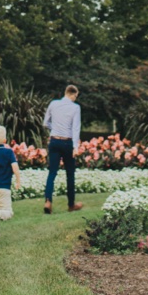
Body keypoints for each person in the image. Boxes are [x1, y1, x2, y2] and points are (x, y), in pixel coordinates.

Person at [43, 84, 83, 214]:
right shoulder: (75, 108)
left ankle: (48, 201)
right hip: (67, 142)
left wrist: (54, 128)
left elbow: (45, 123)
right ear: (73, 94)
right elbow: (76, 128)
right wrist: (76, 146)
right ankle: (71, 204)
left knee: (52, 172)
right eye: (76, 96)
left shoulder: (53, 104)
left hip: (54, 140)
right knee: (70, 173)